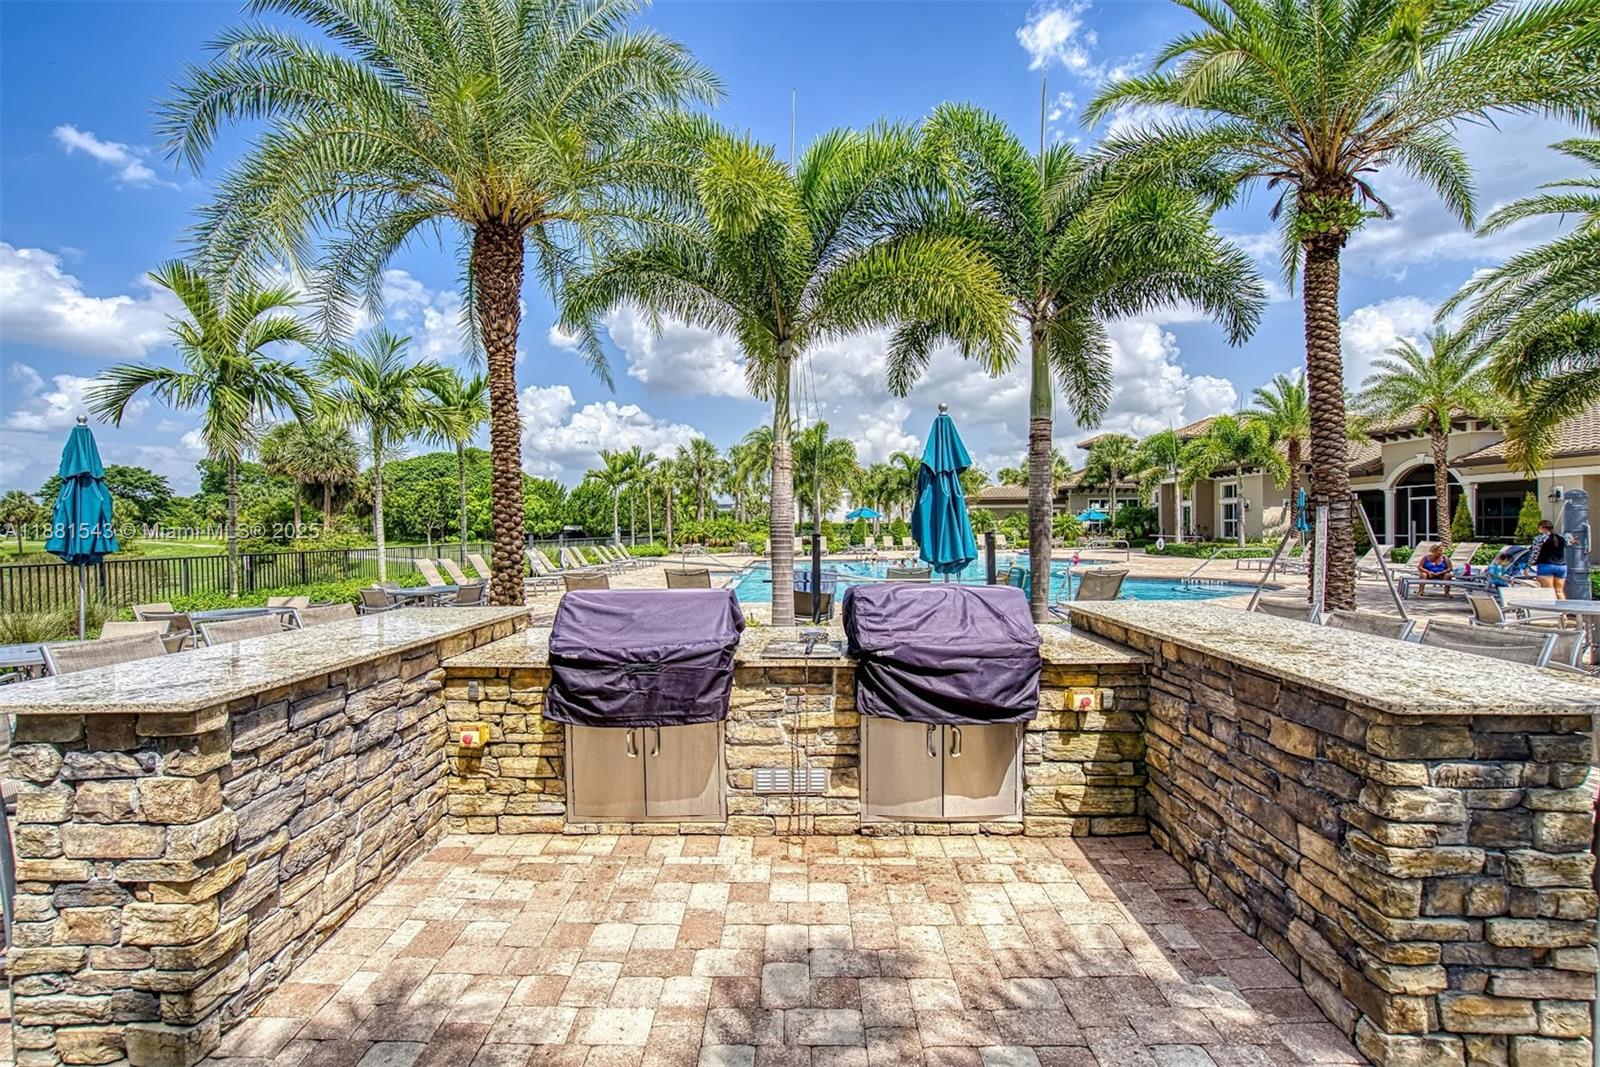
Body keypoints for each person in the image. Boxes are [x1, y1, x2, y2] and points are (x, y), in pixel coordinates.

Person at [1530, 519, 1568, 600]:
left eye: (1538, 528)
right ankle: (1565, 612)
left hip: (1546, 565)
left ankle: (1553, 612)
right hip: (1562, 567)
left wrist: (1529, 566)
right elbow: (1568, 543)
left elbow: (1535, 553)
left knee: (1549, 592)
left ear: (1542, 528)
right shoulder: (1561, 538)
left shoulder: (1539, 538)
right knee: (1559, 591)